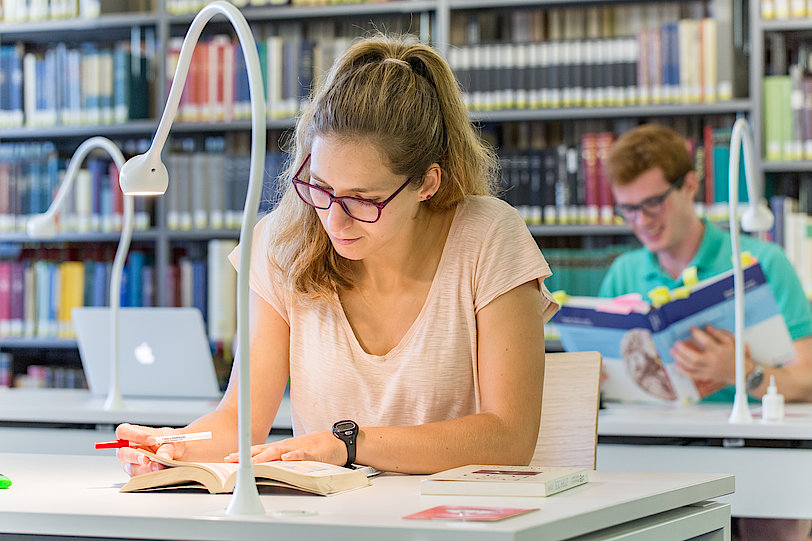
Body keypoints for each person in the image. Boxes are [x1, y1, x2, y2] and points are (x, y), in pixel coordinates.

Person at [115, 34, 558, 477]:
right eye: (321, 188)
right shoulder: (283, 245)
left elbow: (509, 438)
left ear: (428, 182)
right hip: (326, 518)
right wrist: (173, 447)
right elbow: (238, 421)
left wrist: (348, 444)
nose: (334, 221)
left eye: (363, 200)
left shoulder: (488, 238)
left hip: (451, 520)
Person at [599, 123, 812, 541]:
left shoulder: (761, 262)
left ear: (690, 185)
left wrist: (745, 373)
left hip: (755, 450)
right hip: (652, 449)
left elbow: (808, 377)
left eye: (653, 204)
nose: (641, 221)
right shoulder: (624, 272)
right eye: (629, 209)